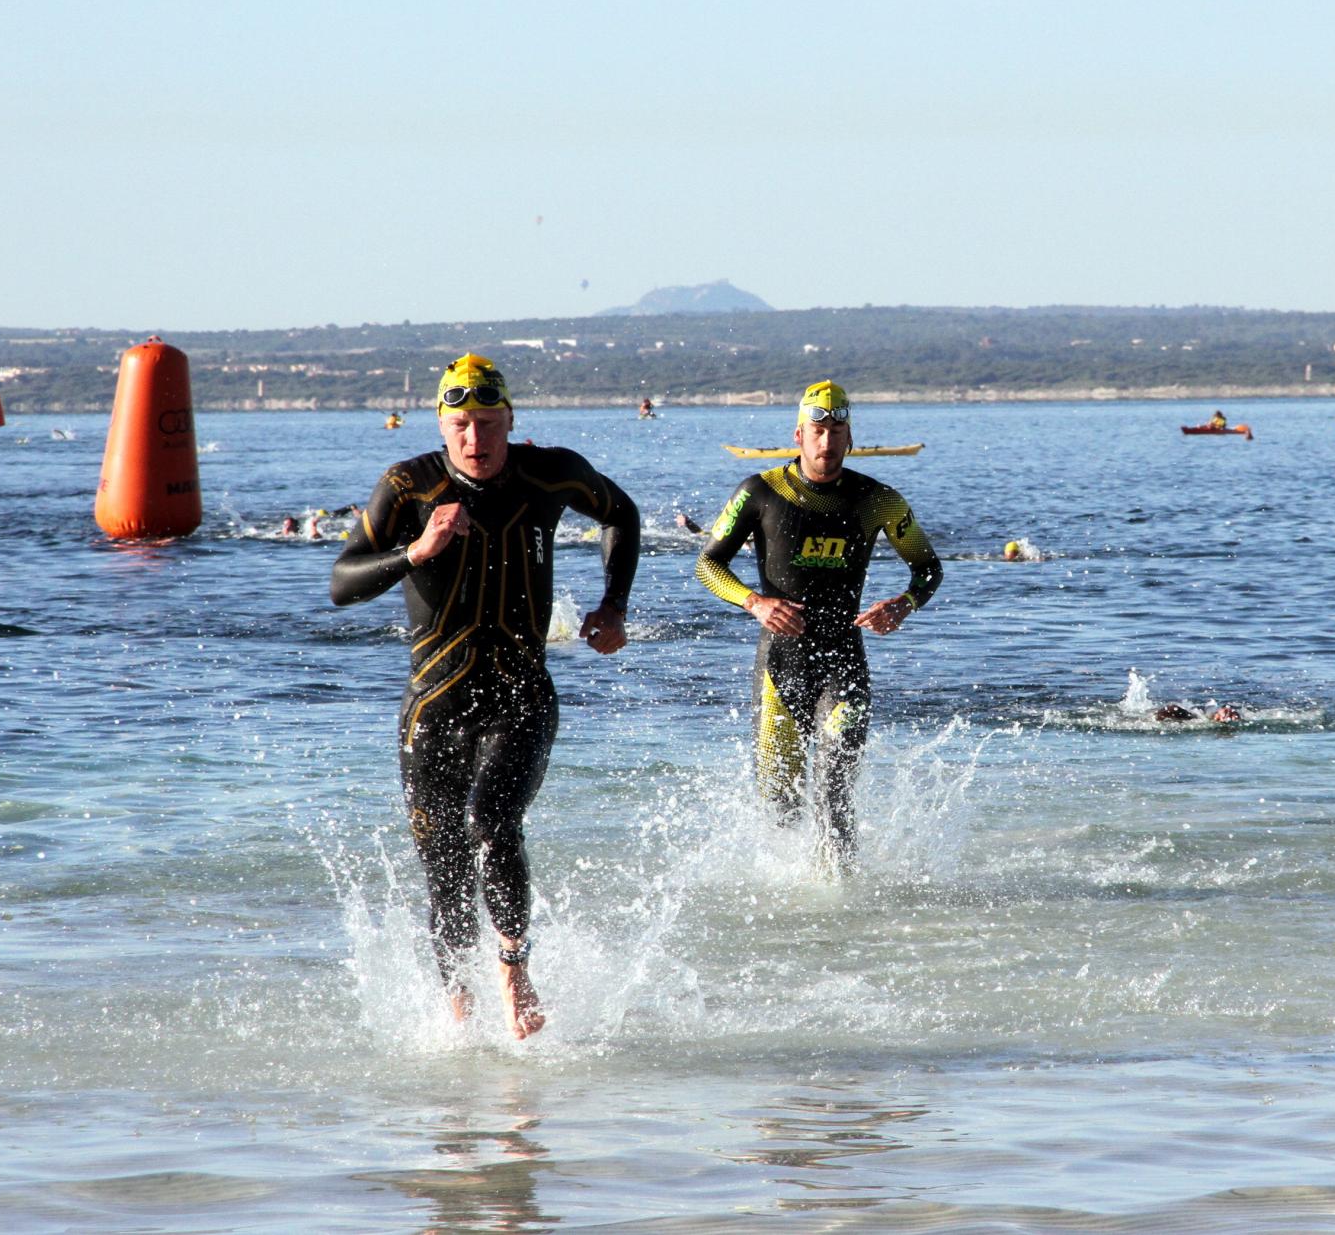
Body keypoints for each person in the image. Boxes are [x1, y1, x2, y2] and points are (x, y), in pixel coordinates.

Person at [330, 353, 639, 1040]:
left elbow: (623, 513)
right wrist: (416, 550)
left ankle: (514, 969)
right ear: (443, 424)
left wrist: (613, 606)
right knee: (444, 871)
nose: (477, 439)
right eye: (463, 424)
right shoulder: (407, 486)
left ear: (510, 422)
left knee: (492, 821)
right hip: (431, 710)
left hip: (521, 696)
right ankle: (460, 1020)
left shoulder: (548, 473)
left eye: (490, 423)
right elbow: (341, 582)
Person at [694, 380, 942, 869]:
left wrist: (905, 603)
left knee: (834, 792)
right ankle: (792, 902)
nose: (826, 443)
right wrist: (755, 602)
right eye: (817, 431)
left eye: (837, 431)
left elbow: (928, 568)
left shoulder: (879, 501)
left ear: (850, 438)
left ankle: (840, 896)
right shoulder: (759, 492)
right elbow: (708, 566)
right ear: (799, 434)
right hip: (779, 667)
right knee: (780, 806)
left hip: (843, 663)